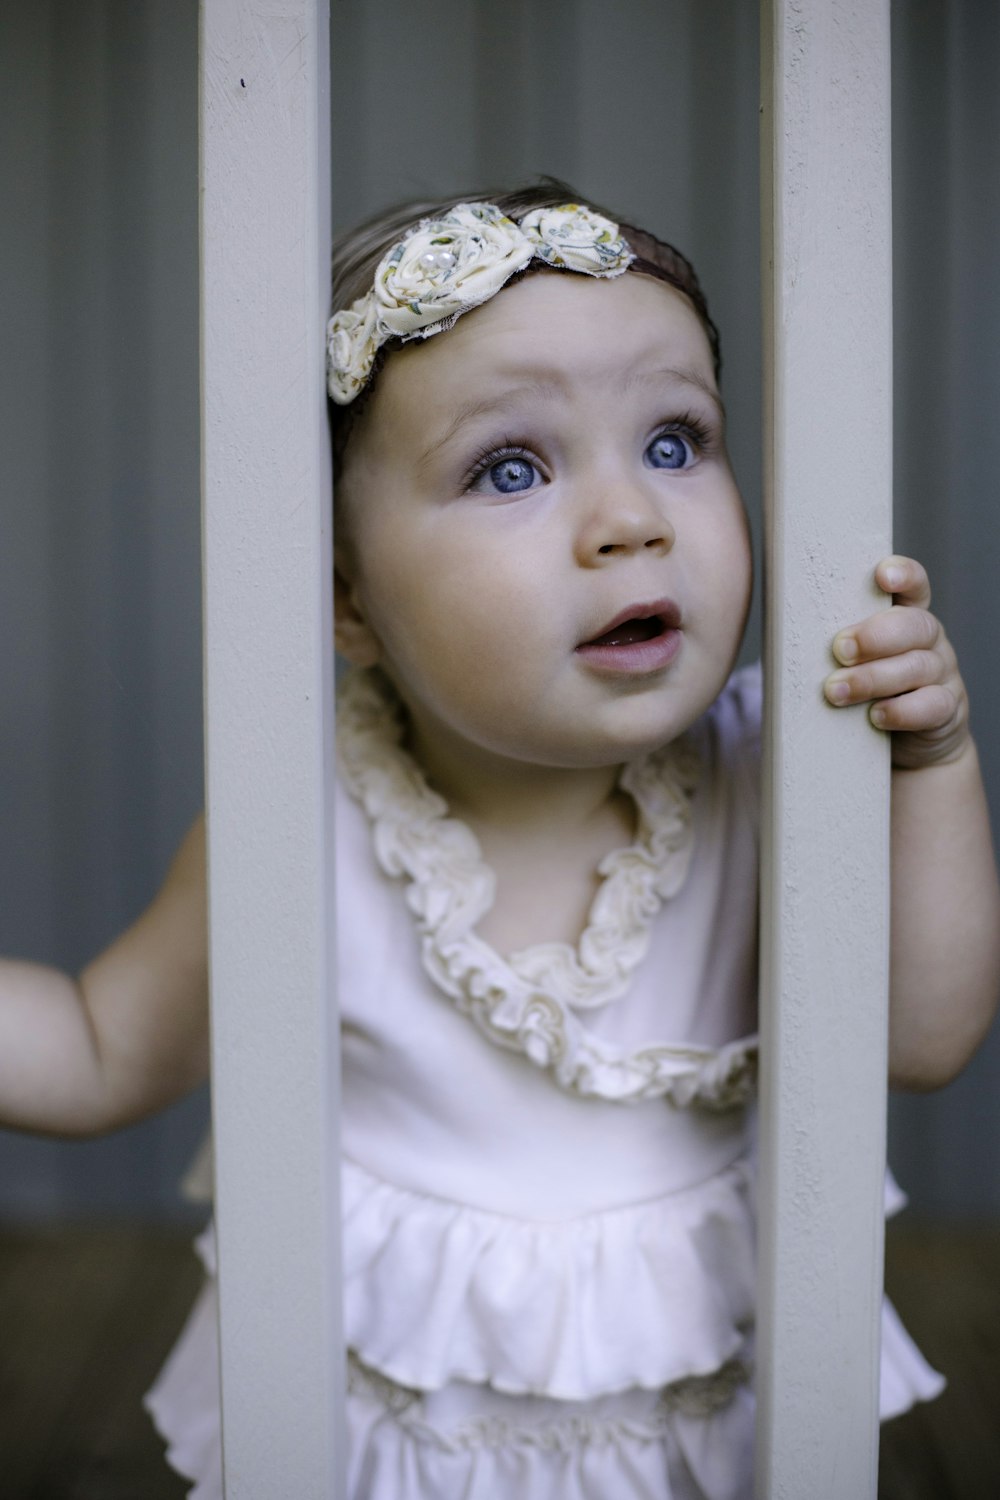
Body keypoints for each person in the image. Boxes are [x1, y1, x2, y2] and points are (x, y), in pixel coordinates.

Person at [3, 182, 999, 1498]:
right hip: (391, 1432)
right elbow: (94, 1046)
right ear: (346, 600)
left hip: (701, 1428)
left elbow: (921, 1042)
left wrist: (930, 762)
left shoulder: (784, 767)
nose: (632, 519)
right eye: (511, 468)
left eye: (676, 440)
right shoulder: (310, 823)